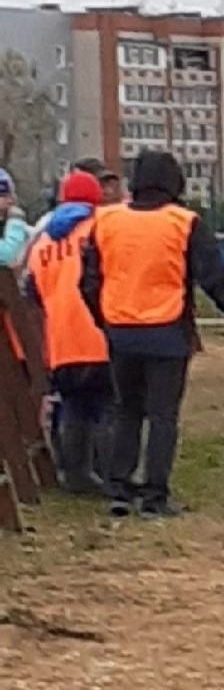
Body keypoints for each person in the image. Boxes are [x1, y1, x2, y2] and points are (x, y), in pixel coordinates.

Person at [77, 150, 224, 518]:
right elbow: (216, 282)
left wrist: (105, 321)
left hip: (121, 331)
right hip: (167, 333)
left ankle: (120, 491)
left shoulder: (105, 221)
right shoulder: (184, 222)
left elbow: (88, 282)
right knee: (162, 415)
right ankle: (155, 496)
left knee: (126, 411)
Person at [21, 170, 111, 493]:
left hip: (61, 341)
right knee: (106, 408)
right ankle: (112, 474)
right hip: (99, 334)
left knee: (74, 407)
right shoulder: (100, 228)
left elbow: (30, 294)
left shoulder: (44, 241)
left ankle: (75, 475)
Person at [0, 169, 30, 269]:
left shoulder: (6, 221)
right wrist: (16, 221)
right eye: (3, 195)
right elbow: (8, 254)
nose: (10, 200)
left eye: (10, 195)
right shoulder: (14, 220)